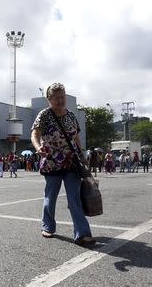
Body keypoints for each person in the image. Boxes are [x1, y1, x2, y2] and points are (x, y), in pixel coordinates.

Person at [31, 83, 95, 246]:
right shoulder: (44, 115)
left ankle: (82, 233)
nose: (60, 101)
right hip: (51, 162)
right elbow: (34, 134)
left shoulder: (71, 116)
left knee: (74, 198)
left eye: (62, 97)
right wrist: (38, 148)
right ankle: (48, 226)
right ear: (49, 99)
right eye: (56, 98)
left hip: (71, 161)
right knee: (50, 197)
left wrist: (82, 155)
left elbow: (76, 138)